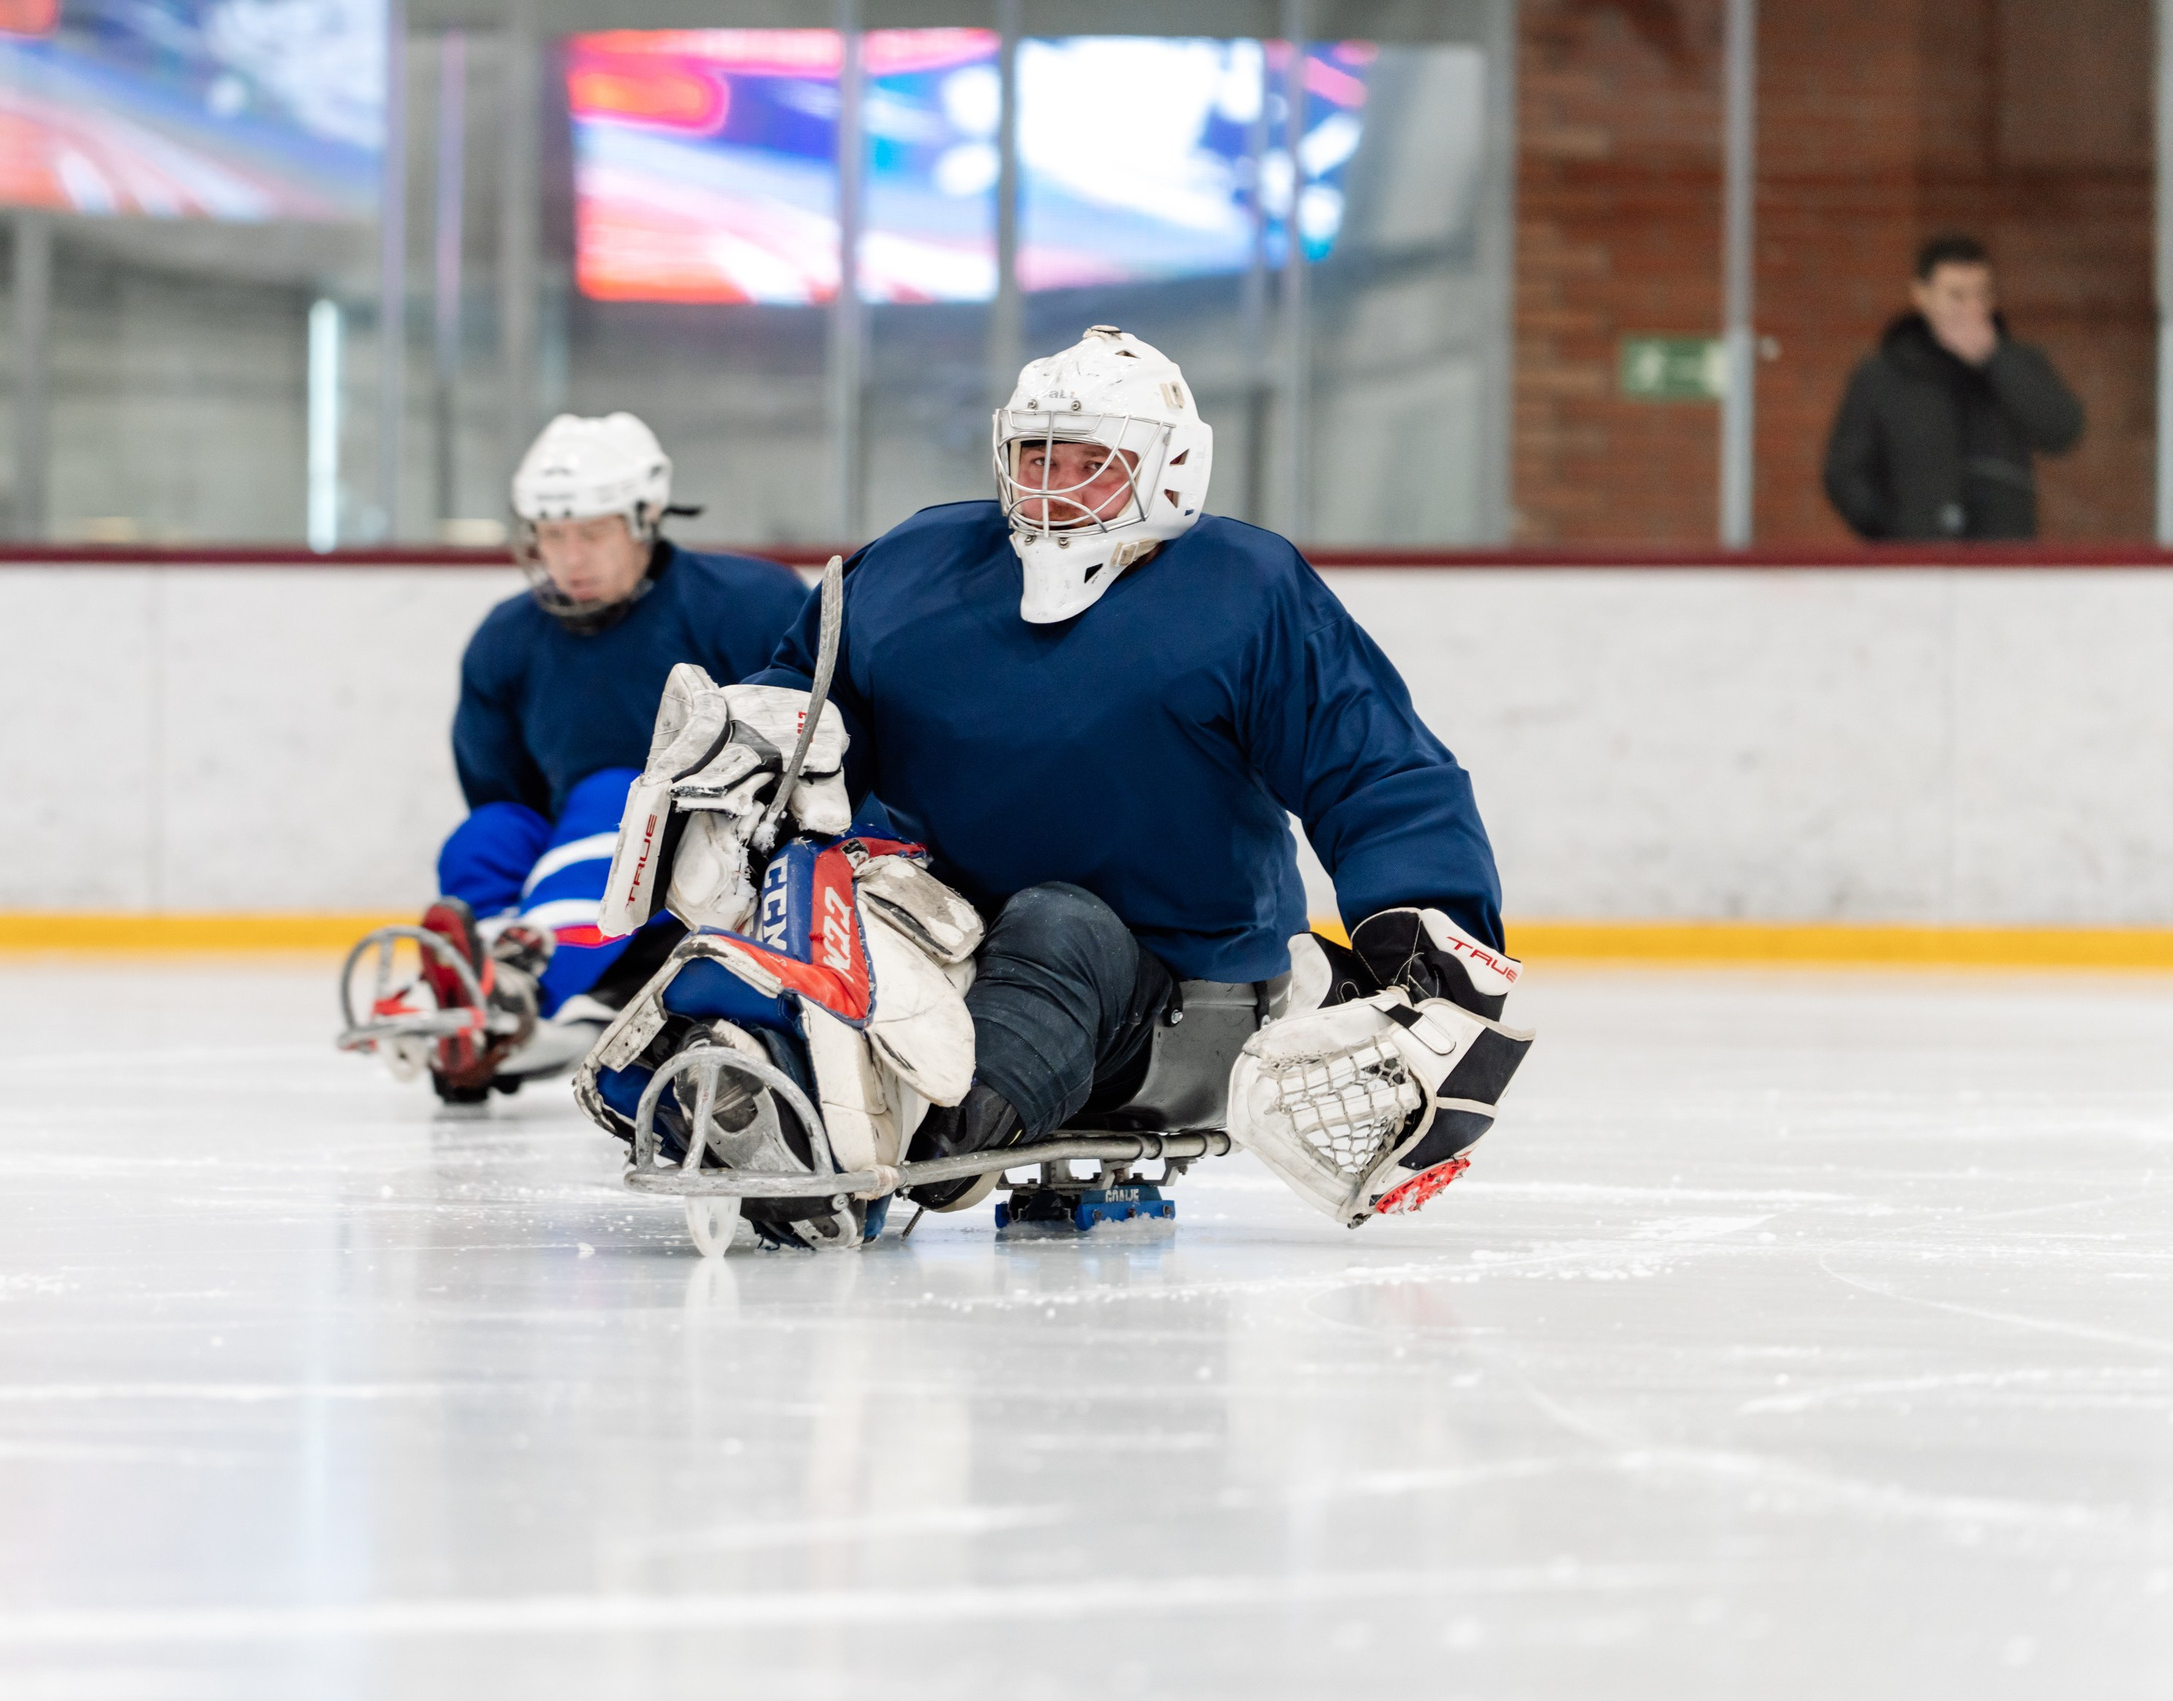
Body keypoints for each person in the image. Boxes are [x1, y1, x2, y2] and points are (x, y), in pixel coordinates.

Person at [600, 327, 1528, 1243]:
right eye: (1036, 457)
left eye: (1092, 463)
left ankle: (919, 1138)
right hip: (949, 932)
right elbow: (807, 713)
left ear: (1170, 471)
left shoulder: (1249, 593)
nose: (1053, 487)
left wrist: (1434, 963)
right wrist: (751, 752)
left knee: (1057, 922)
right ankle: (747, 1081)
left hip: (1180, 992)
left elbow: (1378, 773)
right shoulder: (911, 569)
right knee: (826, 899)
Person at [413, 412, 807, 1103]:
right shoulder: (505, 640)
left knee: (613, 794)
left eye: (591, 533)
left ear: (645, 518)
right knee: (486, 835)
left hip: (715, 872)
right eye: (551, 534)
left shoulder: (749, 605)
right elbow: (501, 792)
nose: (570, 558)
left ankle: (519, 988)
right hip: (590, 876)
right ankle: (482, 989)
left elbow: (810, 743)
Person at [1823, 234, 2084, 541]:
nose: (1972, 308)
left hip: (2002, 556)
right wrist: (1897, 533)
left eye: (1982, 294)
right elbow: (1845, 474)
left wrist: (1995, 360)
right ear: (1922, 295)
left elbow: (2062, 429)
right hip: (1914, 558)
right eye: (1957, 295)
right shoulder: (1883, 375)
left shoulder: (2018, 363)